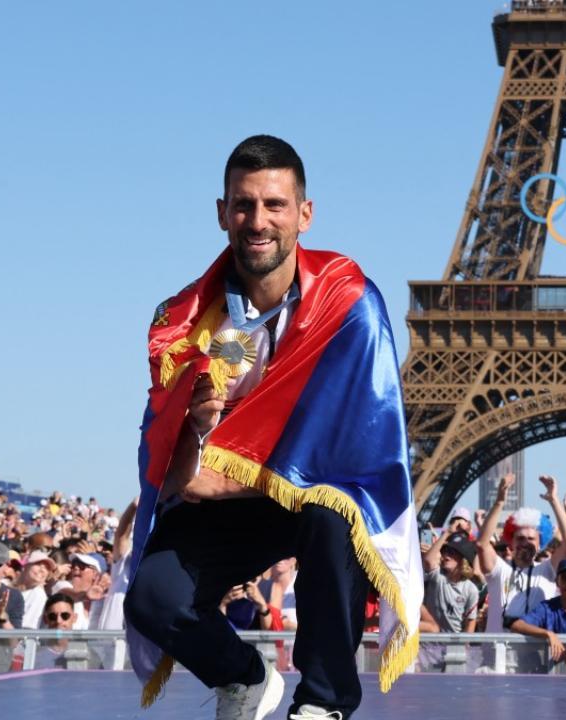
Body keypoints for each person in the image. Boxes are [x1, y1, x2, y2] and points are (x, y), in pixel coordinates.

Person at [122, 135, 421, 720]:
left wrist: (222, 473)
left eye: (275, 205)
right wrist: (196, 430)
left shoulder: (348, 300)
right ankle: (244, 676)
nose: (257, 221)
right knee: (153, 600)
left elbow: (357, 449)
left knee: (336, 513)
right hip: (225, 501)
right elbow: (172, 471)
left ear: (305, 214)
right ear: (221, 212)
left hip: (314, 489)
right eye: (243, 204)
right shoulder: (185, 323)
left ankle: (324, 701)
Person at [476, 473, 566, 634]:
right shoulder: (500, 569)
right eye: (520, 538)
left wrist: (553, 500)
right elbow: (482, 544)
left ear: (540, 543)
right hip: (497, 654)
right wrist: (500, 501)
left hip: (536, 654)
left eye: (531, 539)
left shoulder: (546, 570)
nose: (525, 543)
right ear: (511, 541)